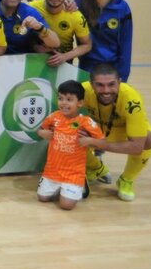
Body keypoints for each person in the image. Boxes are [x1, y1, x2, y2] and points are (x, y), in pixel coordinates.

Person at [78, 63, 151, 202]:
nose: (106, 90)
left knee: (148, 140)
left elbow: (136, 147)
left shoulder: (132, 100)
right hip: (98, 127)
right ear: (91, 84)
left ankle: (127, 179)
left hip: (123, 129)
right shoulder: (82, 91)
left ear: (119, 82)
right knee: (70, 132)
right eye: (100, 85)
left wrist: (96, 143)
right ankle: (96, 168)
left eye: (111, 84)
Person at [36, 80, 105, 210]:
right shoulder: (53, 117)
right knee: (42, 198)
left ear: (80, 103)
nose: (64, 103)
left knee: (66, 206)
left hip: (73, 173)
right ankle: (63, 190)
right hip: (52, 171)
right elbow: (39, 129)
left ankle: (80, 184)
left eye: (69, 99)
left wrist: (90, 141)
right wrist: (41, 132)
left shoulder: (86, 122)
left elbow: (103, 142)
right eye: (61, 98)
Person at [77, 0, 133, 81]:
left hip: (113, 69)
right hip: (87, 69)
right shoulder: (79, 5)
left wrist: (123, 76)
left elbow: (126, 44)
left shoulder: (123, 8)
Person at [29, 0, 92, 67]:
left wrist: (64, 56)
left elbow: (87, 45)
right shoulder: (31, 8)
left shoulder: (76, 16)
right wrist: (35, 47)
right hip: (34, 62)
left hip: (64, 65)